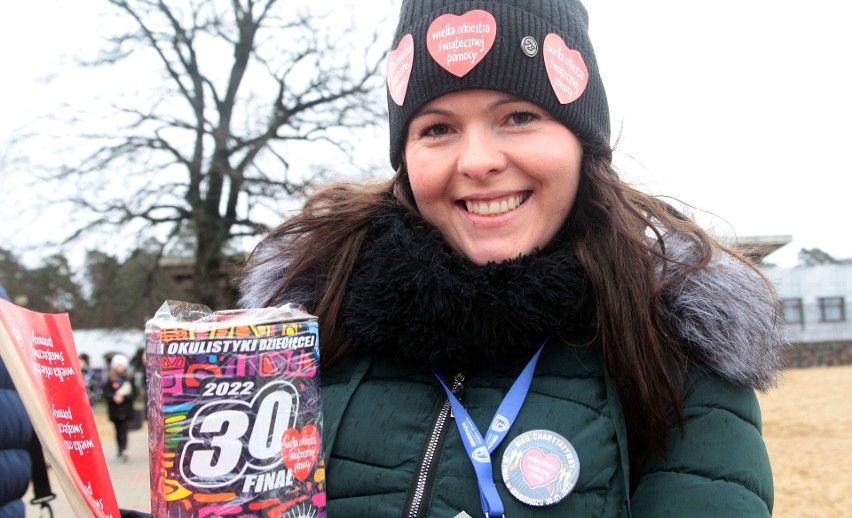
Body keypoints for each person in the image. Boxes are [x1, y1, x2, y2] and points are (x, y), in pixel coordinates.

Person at [238, 0, 784, 515]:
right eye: (438, 128)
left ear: (582, 143)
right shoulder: (306, 328)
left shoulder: (675, 347)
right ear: (405, 157)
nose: (477, 161)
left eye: (519, 116)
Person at [102, 353, 137, 462]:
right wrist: (114, 397)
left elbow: (134, 393)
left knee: (124, 429)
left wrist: (124, 397)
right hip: (115, 410)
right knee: (117, 430)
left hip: (126, 409)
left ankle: (124, 449)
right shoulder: (111, 379)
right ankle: (119, 449)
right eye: (118, 365)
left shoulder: (129, 378)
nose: (120, 368)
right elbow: (106, 393)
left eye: (121, 365)